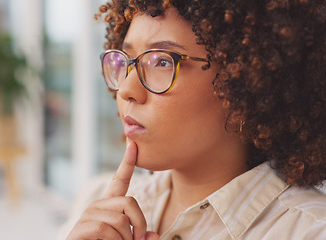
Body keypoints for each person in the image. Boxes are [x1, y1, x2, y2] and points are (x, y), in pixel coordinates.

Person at [62, 0, 326, 239]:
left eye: (162, 62)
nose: (127, 89)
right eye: (128, 59)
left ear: (245, 80)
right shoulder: (100, 208)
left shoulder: (310, 231)